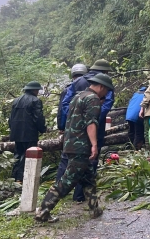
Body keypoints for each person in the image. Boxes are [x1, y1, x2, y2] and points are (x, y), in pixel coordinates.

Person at [34, 73, 114, 223]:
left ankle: (94, 209)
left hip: (70, 143)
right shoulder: (93, 99)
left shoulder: (78, 96)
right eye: (107, 90)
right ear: (102, 87)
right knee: (67, 181)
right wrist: (94, 145)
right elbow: (91, 123)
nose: (107, 94)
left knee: (89, 178)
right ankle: (43, 212)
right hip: (81, 147)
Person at [57, 59, 115, 202]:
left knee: (66, 160)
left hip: (73, 130)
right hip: (93, 130)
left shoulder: (77, 82)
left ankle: (89, 204)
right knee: (91, 160)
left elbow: (66, 103)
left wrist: (73, 119)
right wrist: (92, 118)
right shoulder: (104, 85)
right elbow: (106, 105)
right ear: (105, 72)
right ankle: (76, 196)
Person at [55, 64, 87, 201]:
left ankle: (58, 190)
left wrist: (61, 127)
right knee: (83, 161)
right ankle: (79, 195)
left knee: (65, 160)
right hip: (84, 129)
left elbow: (62, 110)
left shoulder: (67, 89)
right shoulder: (89, 87)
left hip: (69, 129)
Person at [8, 81, 47, 183]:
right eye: (38, 90)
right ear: (34, 90)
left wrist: (12, 129)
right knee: (27, 156)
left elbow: (11, 118)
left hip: (16, 133)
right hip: (29, 133)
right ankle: (21, 179)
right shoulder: (35, 101)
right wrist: (42, 129)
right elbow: (38, 117)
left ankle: (14, 178)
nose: (38, 92)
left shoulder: (16, 100)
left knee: (17, 155)